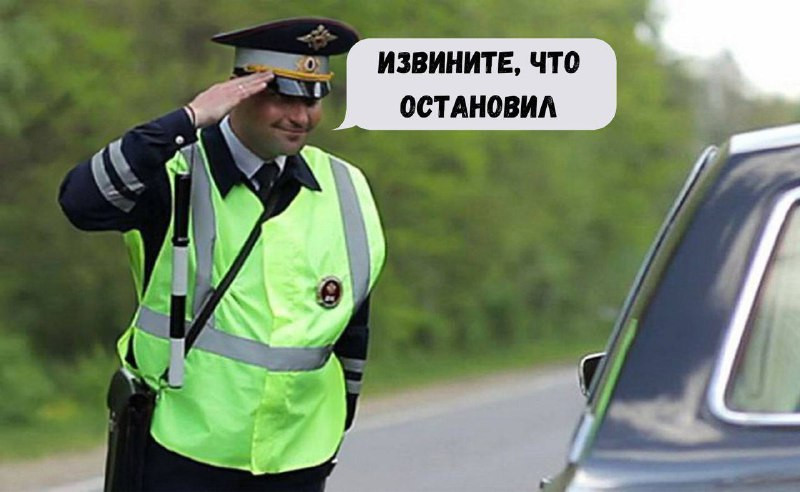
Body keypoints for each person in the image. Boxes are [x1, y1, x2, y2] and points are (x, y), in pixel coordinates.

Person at [58, 17, 385, 492]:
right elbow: (81, 202)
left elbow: (352, 325)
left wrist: (337, 427)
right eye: (284, 97)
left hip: (296, 458)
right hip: (182, 452)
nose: (300, 117)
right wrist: (187, 119)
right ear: (239, 91)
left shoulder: (345, 185)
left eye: (312, 100)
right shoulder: (173, 169)